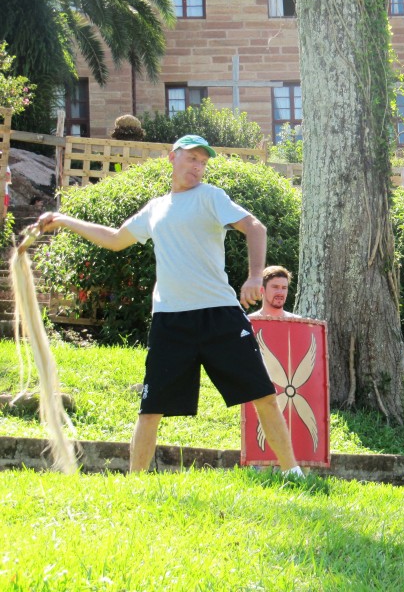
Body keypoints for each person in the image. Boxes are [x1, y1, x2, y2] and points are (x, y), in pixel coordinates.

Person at [36, 134, 303, 476]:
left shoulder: (210, 197)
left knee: (262, 394)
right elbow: (116, 240)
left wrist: (255, 276)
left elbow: (255, 226)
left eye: (203, 162)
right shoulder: (156, 208)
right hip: (170, 320)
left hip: (219, 314)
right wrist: (63, 220)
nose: (198, 167)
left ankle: (293, 473)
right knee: (150, 408)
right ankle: (136, 483)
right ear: (172, 158)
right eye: (192, 159)